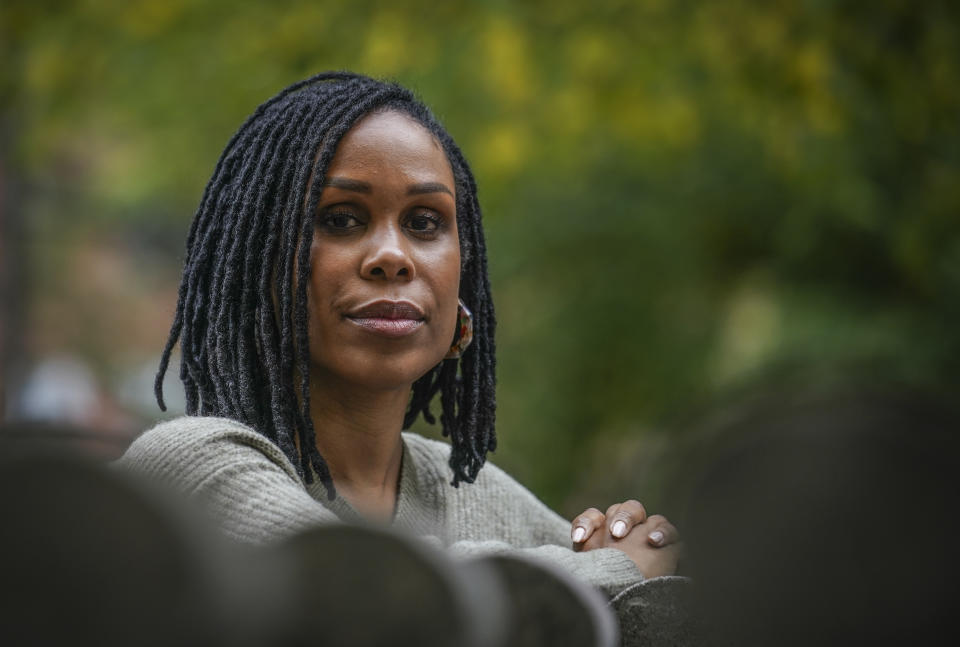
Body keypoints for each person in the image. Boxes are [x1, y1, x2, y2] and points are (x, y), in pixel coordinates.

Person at [118, 72, 682, 602]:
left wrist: (639, 553)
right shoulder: (191, 466)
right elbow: (381, 595)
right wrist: (617, 571)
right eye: (340, 218)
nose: (393, 256)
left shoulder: (482, 497)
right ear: (256, 265)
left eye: (424, 222)